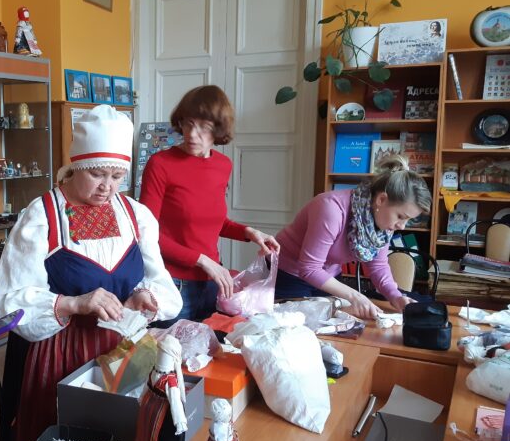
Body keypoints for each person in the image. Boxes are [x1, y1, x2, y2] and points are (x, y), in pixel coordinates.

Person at [0, 104, 181, 441]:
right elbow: (10, 301)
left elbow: (161, 282)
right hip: (59, 355)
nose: (107, 187)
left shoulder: (134, 216)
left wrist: (144, 297)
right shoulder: (42, 216)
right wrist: (75, 303)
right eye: (97, 174)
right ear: (76, 165)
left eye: (117, 176)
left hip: (121, 351)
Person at [139, 85, 280, 324]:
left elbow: (213, 221)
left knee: (210, 347)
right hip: (171, 283)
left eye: (204, 127)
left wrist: (249, 232)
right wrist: (204, 260)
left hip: (211, 282)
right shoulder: (160, 164)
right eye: (188, 123)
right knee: (169, 348)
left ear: (219, 128)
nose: (193, 134)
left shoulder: (222, 165)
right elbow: (146, 233)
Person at [274, 155, 431, 318]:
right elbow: (309, 268)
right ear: (381, 199)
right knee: (297, 324)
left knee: (334, 324)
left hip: (327, 276)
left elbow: (378, 265)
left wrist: (396, 297)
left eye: (408, 220)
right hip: (288, 273)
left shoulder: (382, 222)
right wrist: (355, 296)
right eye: (400, 216)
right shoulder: (331, 209)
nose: (402, 226)